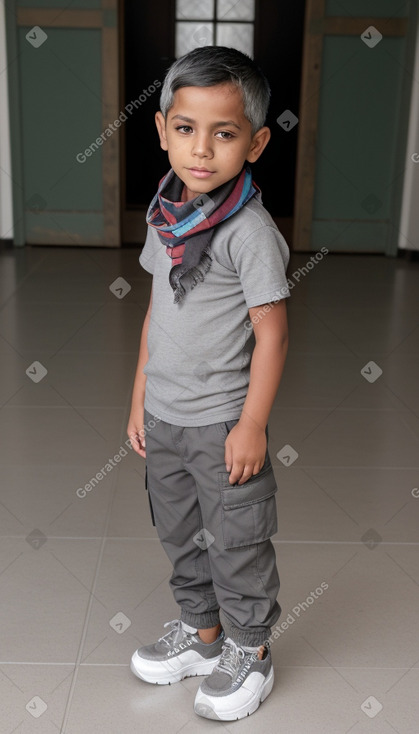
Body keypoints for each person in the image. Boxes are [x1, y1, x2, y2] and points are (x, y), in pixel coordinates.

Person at [127, 45, 290, 722]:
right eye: (186, 129)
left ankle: (250, 651)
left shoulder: (248, 233)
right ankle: (202, 636)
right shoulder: (164, 214)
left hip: (222, 423)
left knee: (236, 537)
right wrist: (137, 396)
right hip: (164, 417)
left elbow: (273, 333)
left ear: (253, 143)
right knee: (179, 532)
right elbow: (156, 311)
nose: (201, 150)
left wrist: (251, 425)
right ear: (162, 129)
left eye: (223, 134)